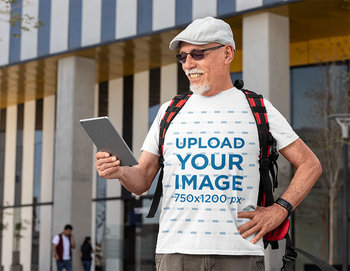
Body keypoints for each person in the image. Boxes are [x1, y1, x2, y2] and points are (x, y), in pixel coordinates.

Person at [95, 16, 322, 271]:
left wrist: (279, 211)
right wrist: (120, 171)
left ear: (227, 53)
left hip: (239, 252)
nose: (188, 64)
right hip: (175, 252)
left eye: (198, 54)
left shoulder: (258, 108)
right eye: (183, 57)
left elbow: (310, 164)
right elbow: (142, 178)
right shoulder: (169, 111)